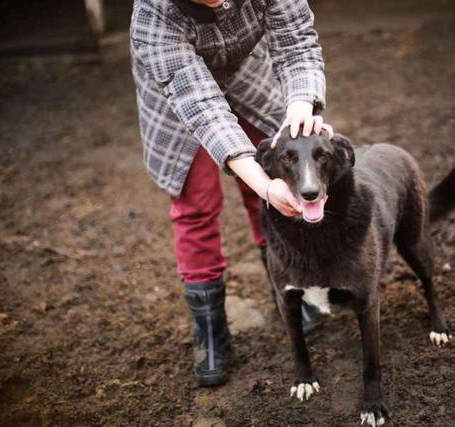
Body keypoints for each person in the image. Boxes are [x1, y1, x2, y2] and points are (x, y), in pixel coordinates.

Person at [129, 0, 333, 386]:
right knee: (196, 205)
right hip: (179, 98)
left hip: (245, 73)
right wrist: (264, 185)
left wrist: (300, 102)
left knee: (271, 178)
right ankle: (210, 329)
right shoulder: (152, 17)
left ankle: (285, 290)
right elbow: (204, 109)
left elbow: (296, 41)